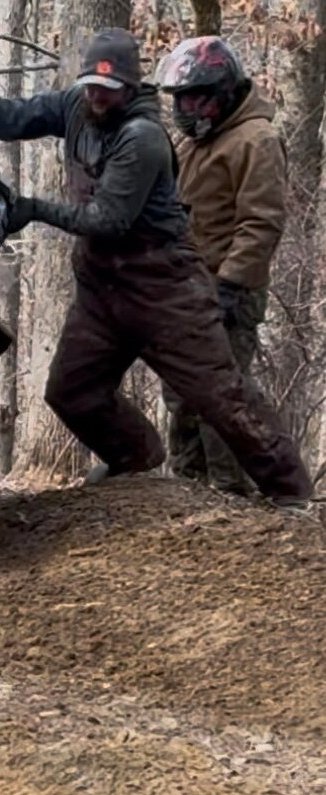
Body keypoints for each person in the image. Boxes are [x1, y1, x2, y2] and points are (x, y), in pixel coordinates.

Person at [0, 27, 311, 508]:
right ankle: (134, 455)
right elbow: (15, 114)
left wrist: (32, 208)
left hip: (166, 292)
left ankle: (289, 493)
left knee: (221, 397)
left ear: (130, 90)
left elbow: (108, 220)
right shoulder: (77, 105)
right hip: (101, 291)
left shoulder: (145, 138)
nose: (96, 96)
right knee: (71, 391)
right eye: (90, 84)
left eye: (107, 90)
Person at [156, 37, 285, 497]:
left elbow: (262, 222)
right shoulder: (193, 141)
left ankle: (229, 497)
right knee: (182, 394)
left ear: (224, 92)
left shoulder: (256, 140)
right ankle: (186, 488)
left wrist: (230, 286)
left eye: (196, 98)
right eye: (180, 100)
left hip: (229, 290)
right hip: (185, 288)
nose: (187, 109)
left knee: (220, 397)